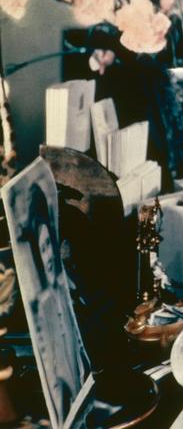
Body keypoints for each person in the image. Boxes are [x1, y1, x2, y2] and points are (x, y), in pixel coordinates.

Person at [19, 182, 91, 426]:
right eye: (44, 247)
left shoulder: (72, 287)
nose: (51, 255)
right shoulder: (40, 305)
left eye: (52, 245)